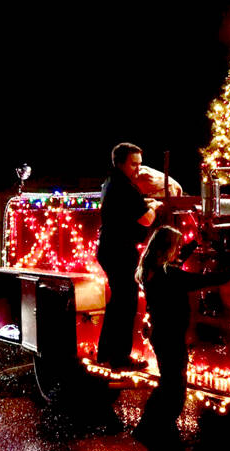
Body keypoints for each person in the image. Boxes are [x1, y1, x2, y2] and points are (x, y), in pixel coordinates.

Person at [133, 226, 230, 451]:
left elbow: (177, 264)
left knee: (167, 387)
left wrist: (192, 245)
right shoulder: (168, 275)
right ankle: (159, 443)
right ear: (166, 249)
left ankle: (153, 436)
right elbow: (202, 281)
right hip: (170, 339)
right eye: (176, 246)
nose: (178, 251)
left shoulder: (152, 270)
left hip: (162, 336)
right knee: (174, 395)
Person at [96, 142, 161, 371]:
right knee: (126, 304)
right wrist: (155, 207)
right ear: (121, 162)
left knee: (117, 303)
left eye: (140, 164)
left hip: (110, 248)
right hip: (120, 250)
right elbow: (146, 220)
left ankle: (105, 352)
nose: (138, 169)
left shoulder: (110, 183)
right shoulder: (124, 186)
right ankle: (119, 358)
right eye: (134, 164)